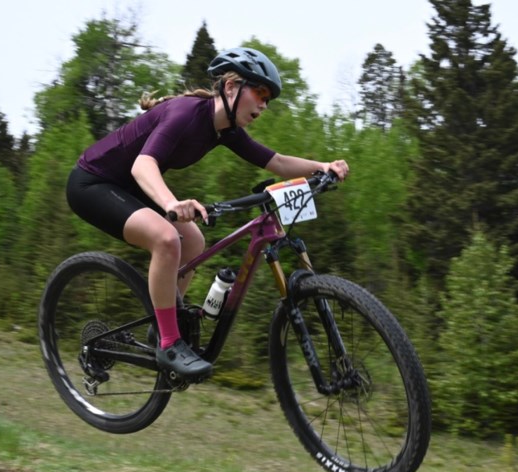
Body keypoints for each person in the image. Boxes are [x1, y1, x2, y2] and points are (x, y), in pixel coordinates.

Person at [66, 47, 349, 383]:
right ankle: (170, 344)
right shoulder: (186, 113)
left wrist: (322, 167)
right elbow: (144, 164)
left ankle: (164, 327)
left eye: (268, 99)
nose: (263, 104)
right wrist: (172, 203)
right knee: (168, 238)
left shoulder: (224, 130)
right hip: (92, 183)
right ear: (231, 87)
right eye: (259, 93)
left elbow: (276, 162)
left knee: (193, 239)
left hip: (130, 185)